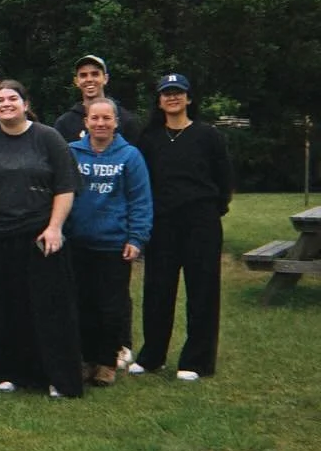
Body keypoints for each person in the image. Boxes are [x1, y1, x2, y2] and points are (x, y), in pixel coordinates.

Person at [0, 80, 83, 397]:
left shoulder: (48, 138)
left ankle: (53, 376)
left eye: (13, 98)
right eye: (0, 99)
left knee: (47, 309)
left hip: (40, 236)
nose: (6, 103)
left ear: (25, 104)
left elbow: (65, 187)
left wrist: (55, 227)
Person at [131, 74, 232, 381]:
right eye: (166, 93)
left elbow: (223, 179)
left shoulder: (208, 135)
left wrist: (211, 210)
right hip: (162, 223)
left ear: (189, 99)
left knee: (202, 291)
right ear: (159, 101)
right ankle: (152, 356)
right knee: (158, 290)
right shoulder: (149, 138)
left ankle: (196, 361)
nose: (172, 97)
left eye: (178, 92)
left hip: (201, 222)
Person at [67, 97, 152, 386]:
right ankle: (84, 359)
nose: (101, 123)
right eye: (95, 118)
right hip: (77, 242)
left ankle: (106, 362)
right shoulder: (72, 153)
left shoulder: (130, 156)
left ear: (116, 122)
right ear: (86, 122)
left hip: (113, 243)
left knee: (110, 307)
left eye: (107, 118)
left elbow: (140, 201)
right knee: (81, 303)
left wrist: (137, 237)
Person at [53, 55, 141, 144]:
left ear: (105, 78)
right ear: (76, 81)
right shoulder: (64, 123)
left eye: (95, 74)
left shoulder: (125, 119)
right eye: (83, 75)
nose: (89, 79)